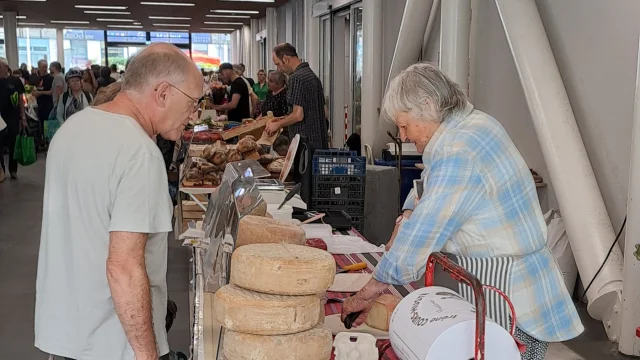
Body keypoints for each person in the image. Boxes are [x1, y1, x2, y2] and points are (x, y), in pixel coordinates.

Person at [340, 63, 583, 360]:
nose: (402, 136)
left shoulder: (459, 149)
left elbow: (425, 230)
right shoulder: (470, 125)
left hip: (511, 297)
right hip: (497, 285)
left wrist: (370, 291)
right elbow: (429, 187)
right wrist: (405, 215)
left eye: (404, 125)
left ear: (428, 106)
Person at [35, 43, 203, 360]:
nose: (193, 116)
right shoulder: (139, 153)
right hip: (113, 343)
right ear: (164, 92)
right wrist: (146, 355)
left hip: (65, 335)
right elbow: (123, 268)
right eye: (193, 103)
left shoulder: (73, 128)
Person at [267, 43, 328, 150]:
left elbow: (298, 115)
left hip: (304, 144)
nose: (279, 69)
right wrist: (281, 119)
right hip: (318, 142)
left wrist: (278, 125)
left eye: (278, 64)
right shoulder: (312, 76)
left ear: (285, 59)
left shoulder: (296, 78)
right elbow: (322, 110)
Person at [0, 57, 26, 181]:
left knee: (13, 144)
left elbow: (21, 99)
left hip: (13, 117)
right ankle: (1, 169)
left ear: (6, 67)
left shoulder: (15, 81)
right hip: (0, 118)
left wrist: (23, 116)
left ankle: (13, 169)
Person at [32, 59, 54, 142]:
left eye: (46, 67)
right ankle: (42, 140)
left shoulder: (51, 78)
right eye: (43, 67)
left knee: (47, 124)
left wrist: (41, 93)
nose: (44, 69)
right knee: (40, 124)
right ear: (39, 67)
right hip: (38, 105)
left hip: (48, 105)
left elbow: (52, 92)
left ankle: (48, 141)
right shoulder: (37, 78)